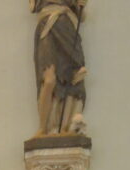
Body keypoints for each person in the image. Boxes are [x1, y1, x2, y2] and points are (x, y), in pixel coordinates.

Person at [31, 0, 88, 136]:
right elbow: (32, 7)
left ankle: (65, 127)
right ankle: (43, 128)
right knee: (49, 80)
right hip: (47, 28)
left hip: (67, 29)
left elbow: (83, 17)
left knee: (72, 76)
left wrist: (81, 5)